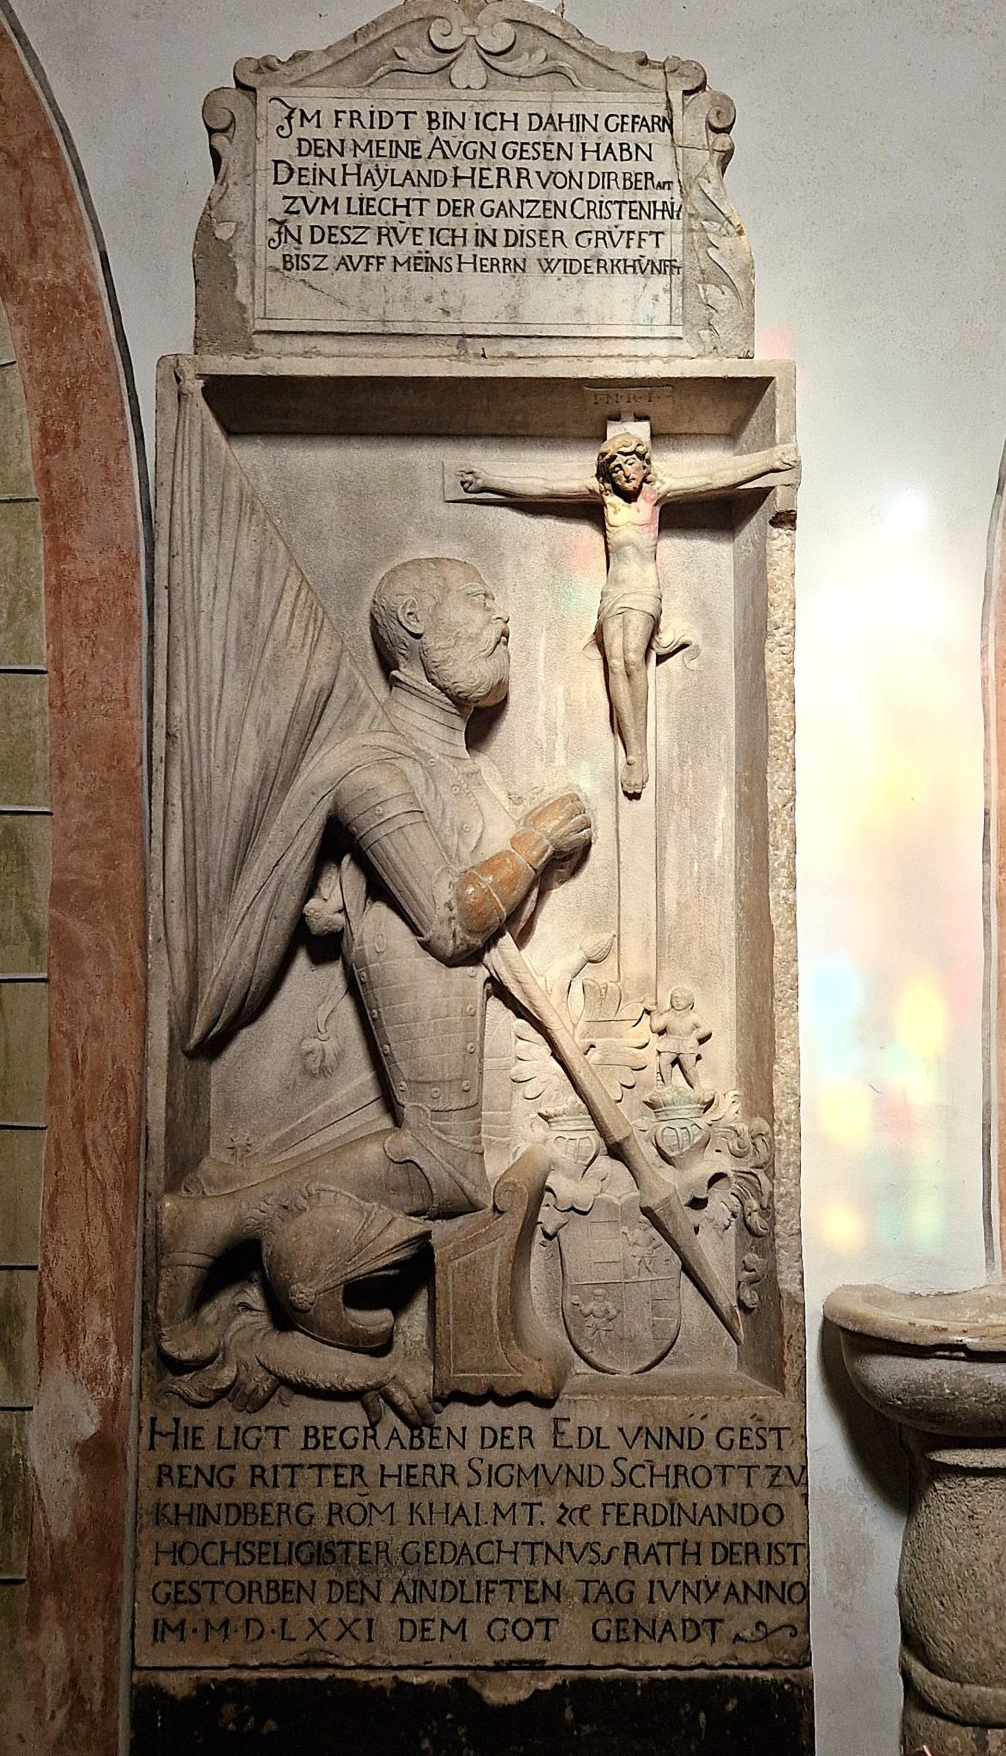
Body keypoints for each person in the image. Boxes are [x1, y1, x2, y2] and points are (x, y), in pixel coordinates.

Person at [156, 557, 591, 1410]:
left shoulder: (467, 767)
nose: (501, 617)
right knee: (447, 1168)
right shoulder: (373, 766)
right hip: (422, 968)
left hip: (476, 996)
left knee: (467, 1173)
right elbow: (448, 918)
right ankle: (207, 1226)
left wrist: (530, 853)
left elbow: (499, 913)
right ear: (415, 629)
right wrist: (536, 841)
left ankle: (255, 1242)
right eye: (478, 602)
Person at [460, 431, 798, 797]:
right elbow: (544, 485)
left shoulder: (657, 492)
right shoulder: (605, 497)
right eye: (617, 468)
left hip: (644, 591)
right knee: (616, 663)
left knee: (634, 659)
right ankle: (631, 748)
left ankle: (638, 754)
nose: (625, 474)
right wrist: (489, 481)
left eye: (631, 464)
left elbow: (714, 476)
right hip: (613, 593)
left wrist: (769, 461)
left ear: (643, 463)